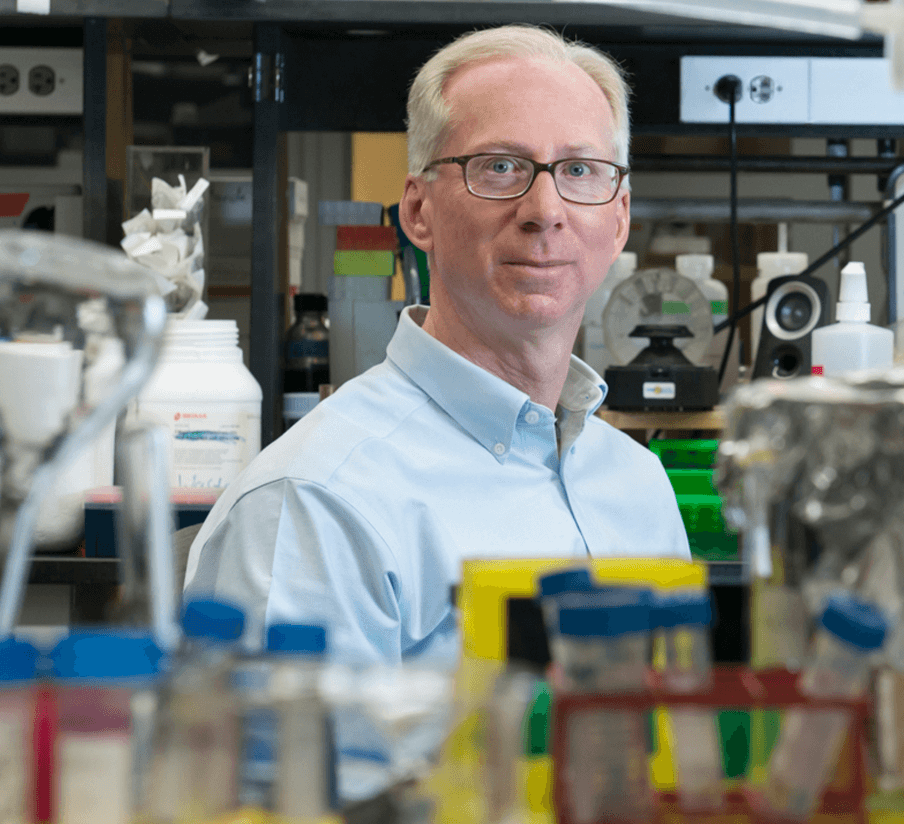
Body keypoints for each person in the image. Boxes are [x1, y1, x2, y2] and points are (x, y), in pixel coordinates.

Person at [183, 24, 690, 667]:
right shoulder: (316, 500)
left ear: (617, 220)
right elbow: (292, 768)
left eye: (580, 170)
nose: (544, 209)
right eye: (500, 167)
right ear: (418, 212)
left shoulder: (638, 486)